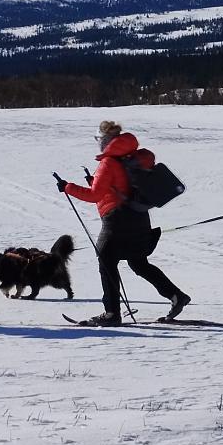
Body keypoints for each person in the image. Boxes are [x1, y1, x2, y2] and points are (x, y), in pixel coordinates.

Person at [58, 120, 190, 326]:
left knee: (106, 260)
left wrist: (68, 187)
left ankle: (112, 313)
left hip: (117, 220)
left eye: (98, 139)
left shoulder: (108, 163)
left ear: (105, 141)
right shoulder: (132, 157)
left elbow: (94, 196)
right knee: (138, 263)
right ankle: (176, 295)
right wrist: (96, 182)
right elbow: (122, 186)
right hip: (139, 216)